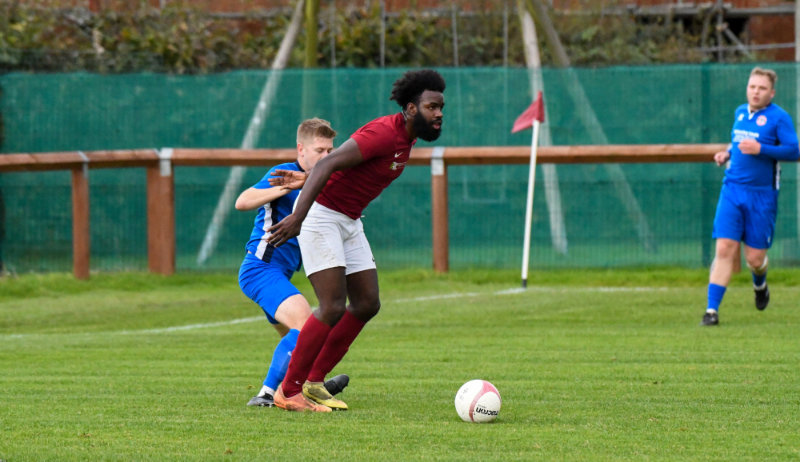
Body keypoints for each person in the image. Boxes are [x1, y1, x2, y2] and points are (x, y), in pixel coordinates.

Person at [266, 69, 446, 412]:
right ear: (411, 108)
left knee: (366, 303)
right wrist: (298, 216)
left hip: (348, 219)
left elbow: (348, 171)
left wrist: (304, 178)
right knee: (332, 305)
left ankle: (314, 382)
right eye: (431, 107)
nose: (438, 114)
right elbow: (329, 164)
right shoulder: (383, 132)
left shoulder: (407, 138)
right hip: (321, 216)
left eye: (440, 107)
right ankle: (288, 391)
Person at [236, 118, 349, 410]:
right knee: (306, 325)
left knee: (303, 340)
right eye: (320, 150)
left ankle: (308, 384)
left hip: (280, 274)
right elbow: (243, 201)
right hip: (260, 269)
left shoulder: (323, 180)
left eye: (330, 150)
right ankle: (266, 394)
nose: (327, 156)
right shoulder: (285, 173)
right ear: (301, 149)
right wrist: (285, 189)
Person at [702, 67, 799, 326]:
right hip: (732, 190)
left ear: (772, 93)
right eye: (752, 86)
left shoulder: (779, 118)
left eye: (762, 88)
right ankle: (711, 311)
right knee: (724, 248)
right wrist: (727, 153)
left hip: (762, 196)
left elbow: (794, 150)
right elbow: (737, 142)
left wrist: (761, 149)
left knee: (754, 259)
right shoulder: (740, 112)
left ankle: (760, 284)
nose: (756, 92)